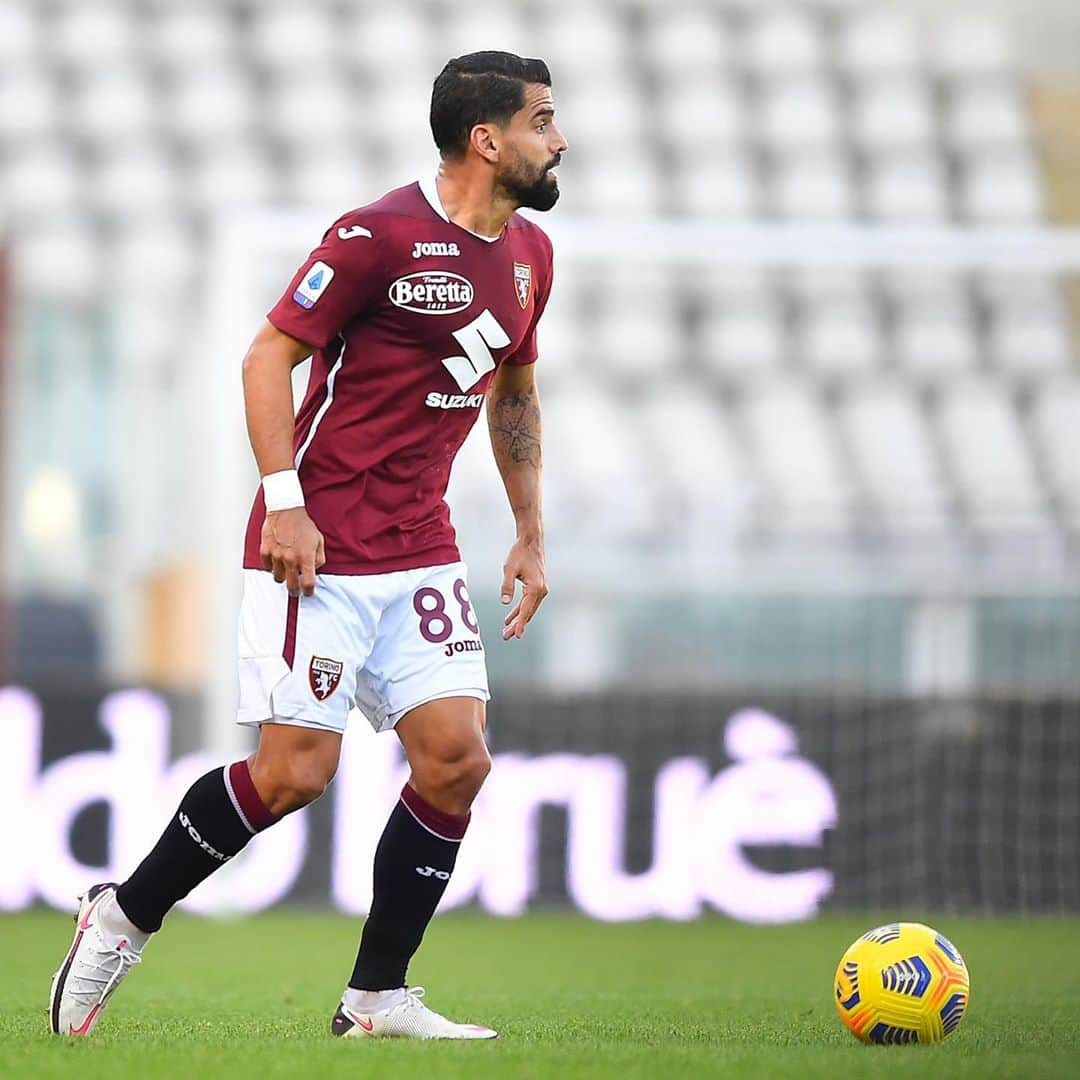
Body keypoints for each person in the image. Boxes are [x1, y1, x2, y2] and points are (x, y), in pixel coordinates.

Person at [49, 50, 568, 1041]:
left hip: (420, 547)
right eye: (543, 121)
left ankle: (375, 997)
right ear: (486, 139)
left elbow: (514, 392)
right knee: (294, 774)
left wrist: (531, 531)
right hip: (316, 547)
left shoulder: (532, 256)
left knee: (456, 761)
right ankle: (121, 915)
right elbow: (266, 354)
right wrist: (283, 500)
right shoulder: (376, 235)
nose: (560, 138)